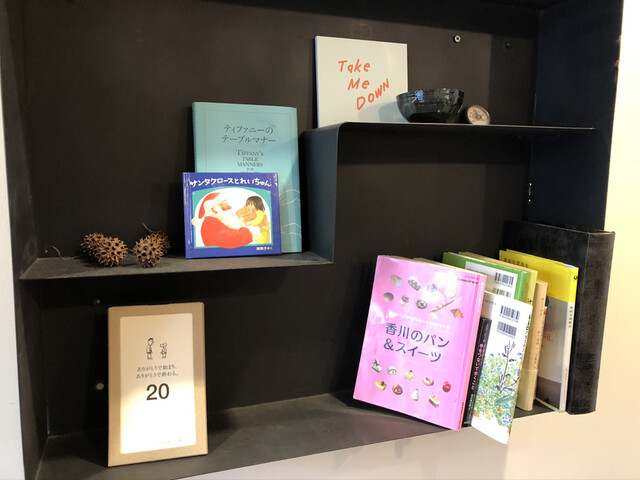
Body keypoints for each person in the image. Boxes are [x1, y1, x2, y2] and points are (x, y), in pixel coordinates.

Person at [191, 191, 258, 248]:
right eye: (224, 203)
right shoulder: (210, 224)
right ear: (214, 209)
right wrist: (250, 233)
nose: (229, 207)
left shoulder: (217, 221)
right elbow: (230, 238)